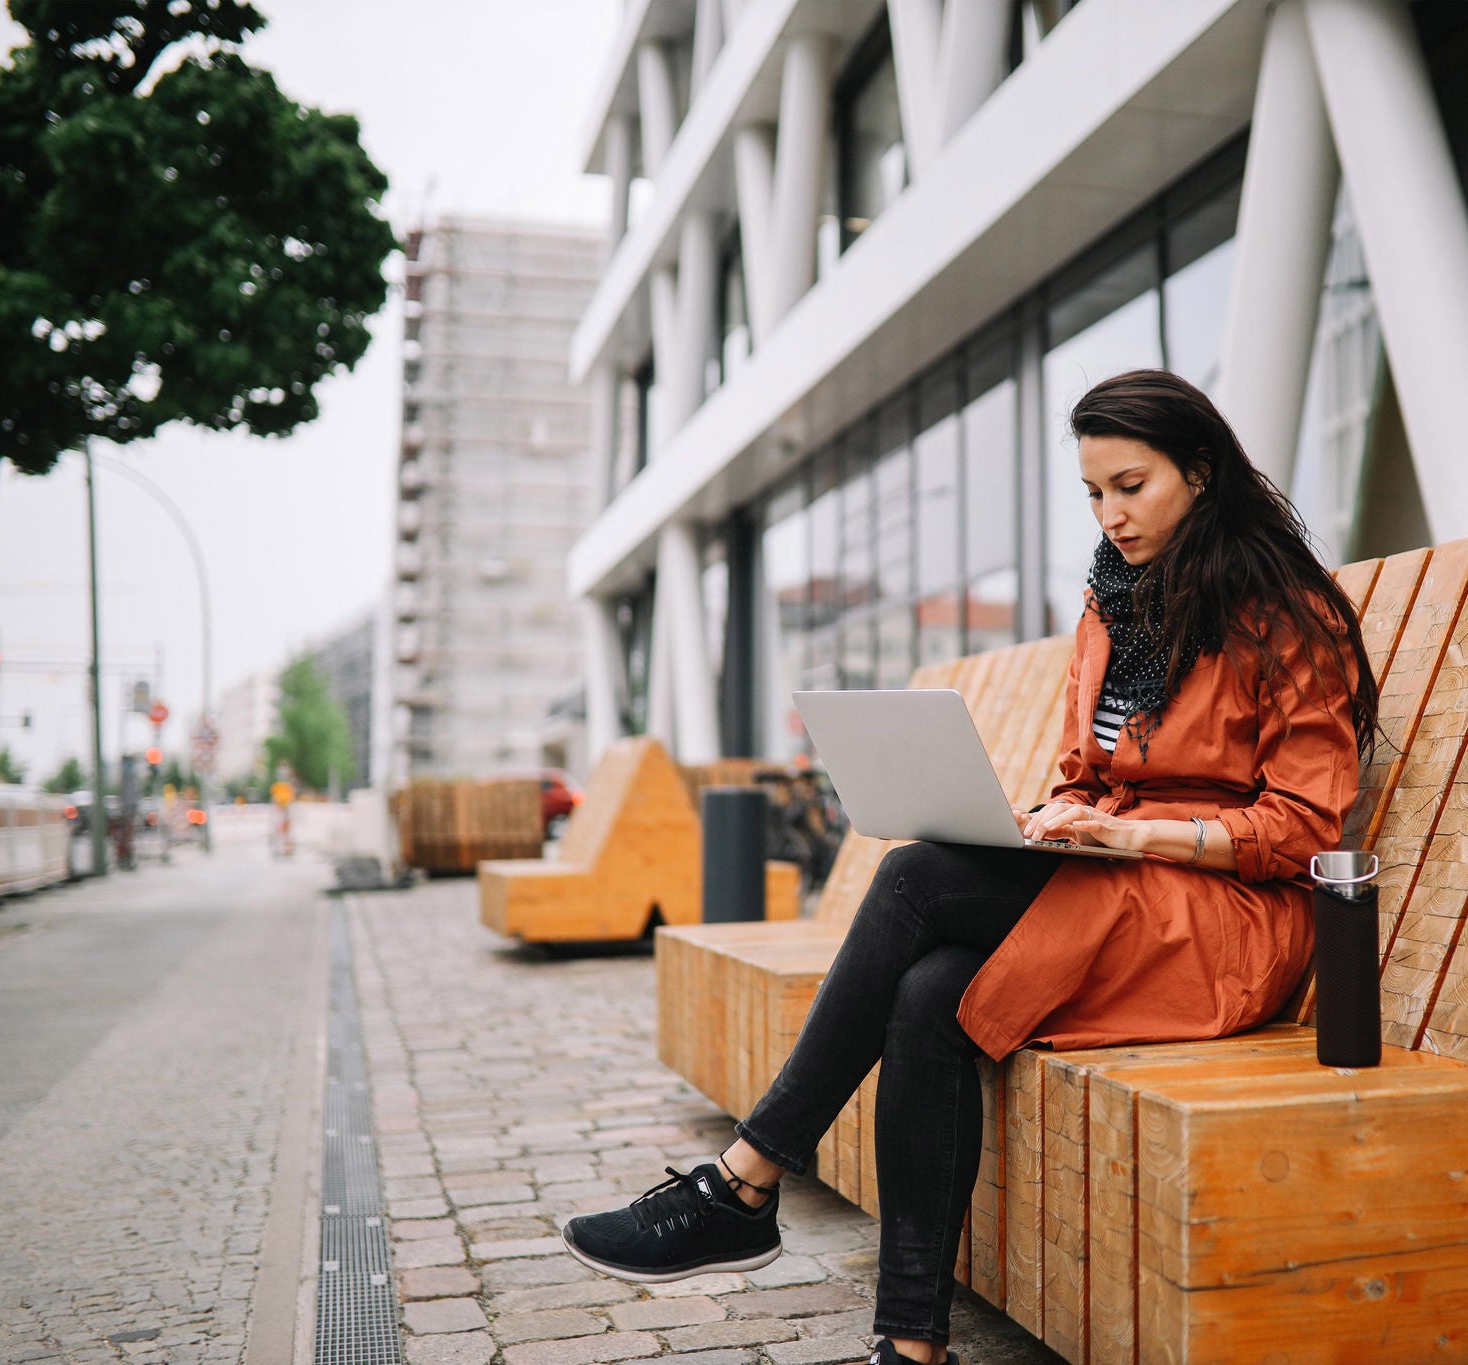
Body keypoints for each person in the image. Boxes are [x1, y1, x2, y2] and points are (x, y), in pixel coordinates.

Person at [560, 369, 1379, 1365]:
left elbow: (1300, 830)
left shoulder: (1287, 617)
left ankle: (743, 1181)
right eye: (1092, 492)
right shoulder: (1112, 601)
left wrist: (1132, 836)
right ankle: (910, 1347)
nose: (1109, 514)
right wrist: (1061, 815)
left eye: (1131, 485)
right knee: (927, 995)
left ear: (1199, 475)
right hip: (1117, 889)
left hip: (1226, 921)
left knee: (912, 877)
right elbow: (1093, 770)